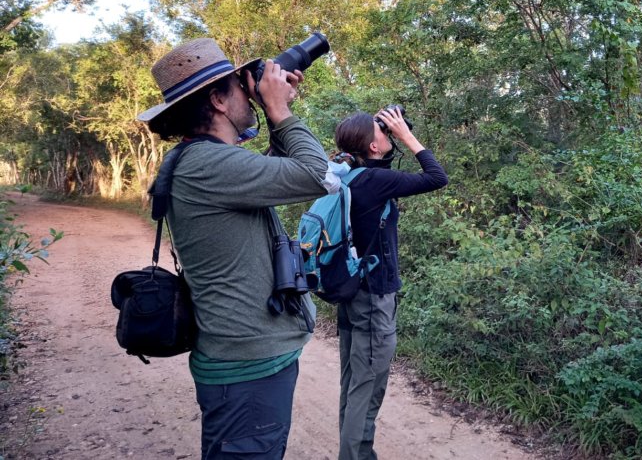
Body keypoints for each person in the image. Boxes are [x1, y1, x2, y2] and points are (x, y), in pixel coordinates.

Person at [138, 38, 335, 459]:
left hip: (248, 360)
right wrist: (279, 110)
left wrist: (270, 107)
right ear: (218, 101)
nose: (250, 93)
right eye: (240, 88)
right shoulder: (209, 165)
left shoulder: (204, 161)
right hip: (246, 367)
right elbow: (318, 174)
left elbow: (275, 175)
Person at [333, 106, 448, 460]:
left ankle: (353, 452)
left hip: (351, 292)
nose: (390, 132)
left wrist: (390, 136)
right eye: (383, 131)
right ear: (372, 146)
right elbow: (436, 176)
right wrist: (407, 137)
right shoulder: (376, 181)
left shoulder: (345, 175)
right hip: (372, 298)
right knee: (367, 388)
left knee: (354, 383)